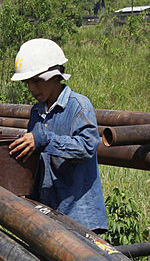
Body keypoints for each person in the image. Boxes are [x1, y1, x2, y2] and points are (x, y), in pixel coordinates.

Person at [8, 38, 107, 233]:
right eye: (28, 82)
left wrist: (45, 140)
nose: (31, 89)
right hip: (49, 213)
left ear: (54, 77)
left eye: (36, 81)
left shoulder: (78, 106)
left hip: (80, 216)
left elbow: (86, 147)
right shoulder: (37, 112)